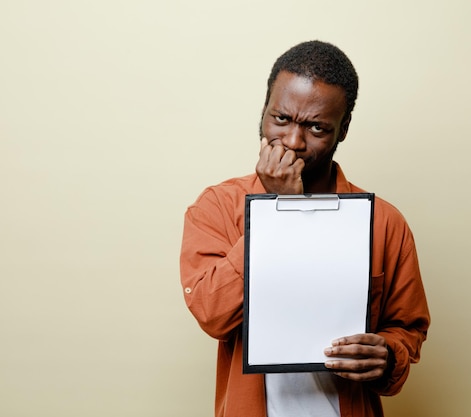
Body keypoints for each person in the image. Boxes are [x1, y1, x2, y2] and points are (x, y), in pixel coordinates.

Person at [180, 40, 430, 417]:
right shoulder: (216, 206)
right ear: (263, 112)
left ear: (342, 130)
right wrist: (278, 212)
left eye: (316, 127)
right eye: (280, 119)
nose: (293, 142)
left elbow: (406, 330)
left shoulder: (384, 222)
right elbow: (213, 313)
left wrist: (387, 356)